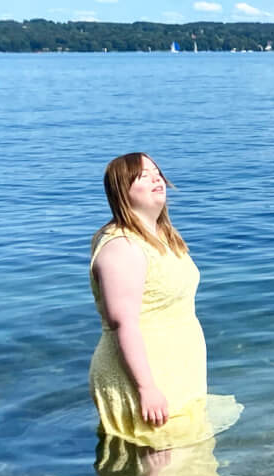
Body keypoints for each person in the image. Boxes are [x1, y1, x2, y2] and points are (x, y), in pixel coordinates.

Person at [89, 153, 241, 449]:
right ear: (121, 190)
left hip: (174, 369)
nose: (156, 178)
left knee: (185, 471)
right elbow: (124, 323)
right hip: (146, 375)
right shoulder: (123, 247)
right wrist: (146, 388)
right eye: (143, 176)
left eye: (156, 172)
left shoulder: (159, 236)